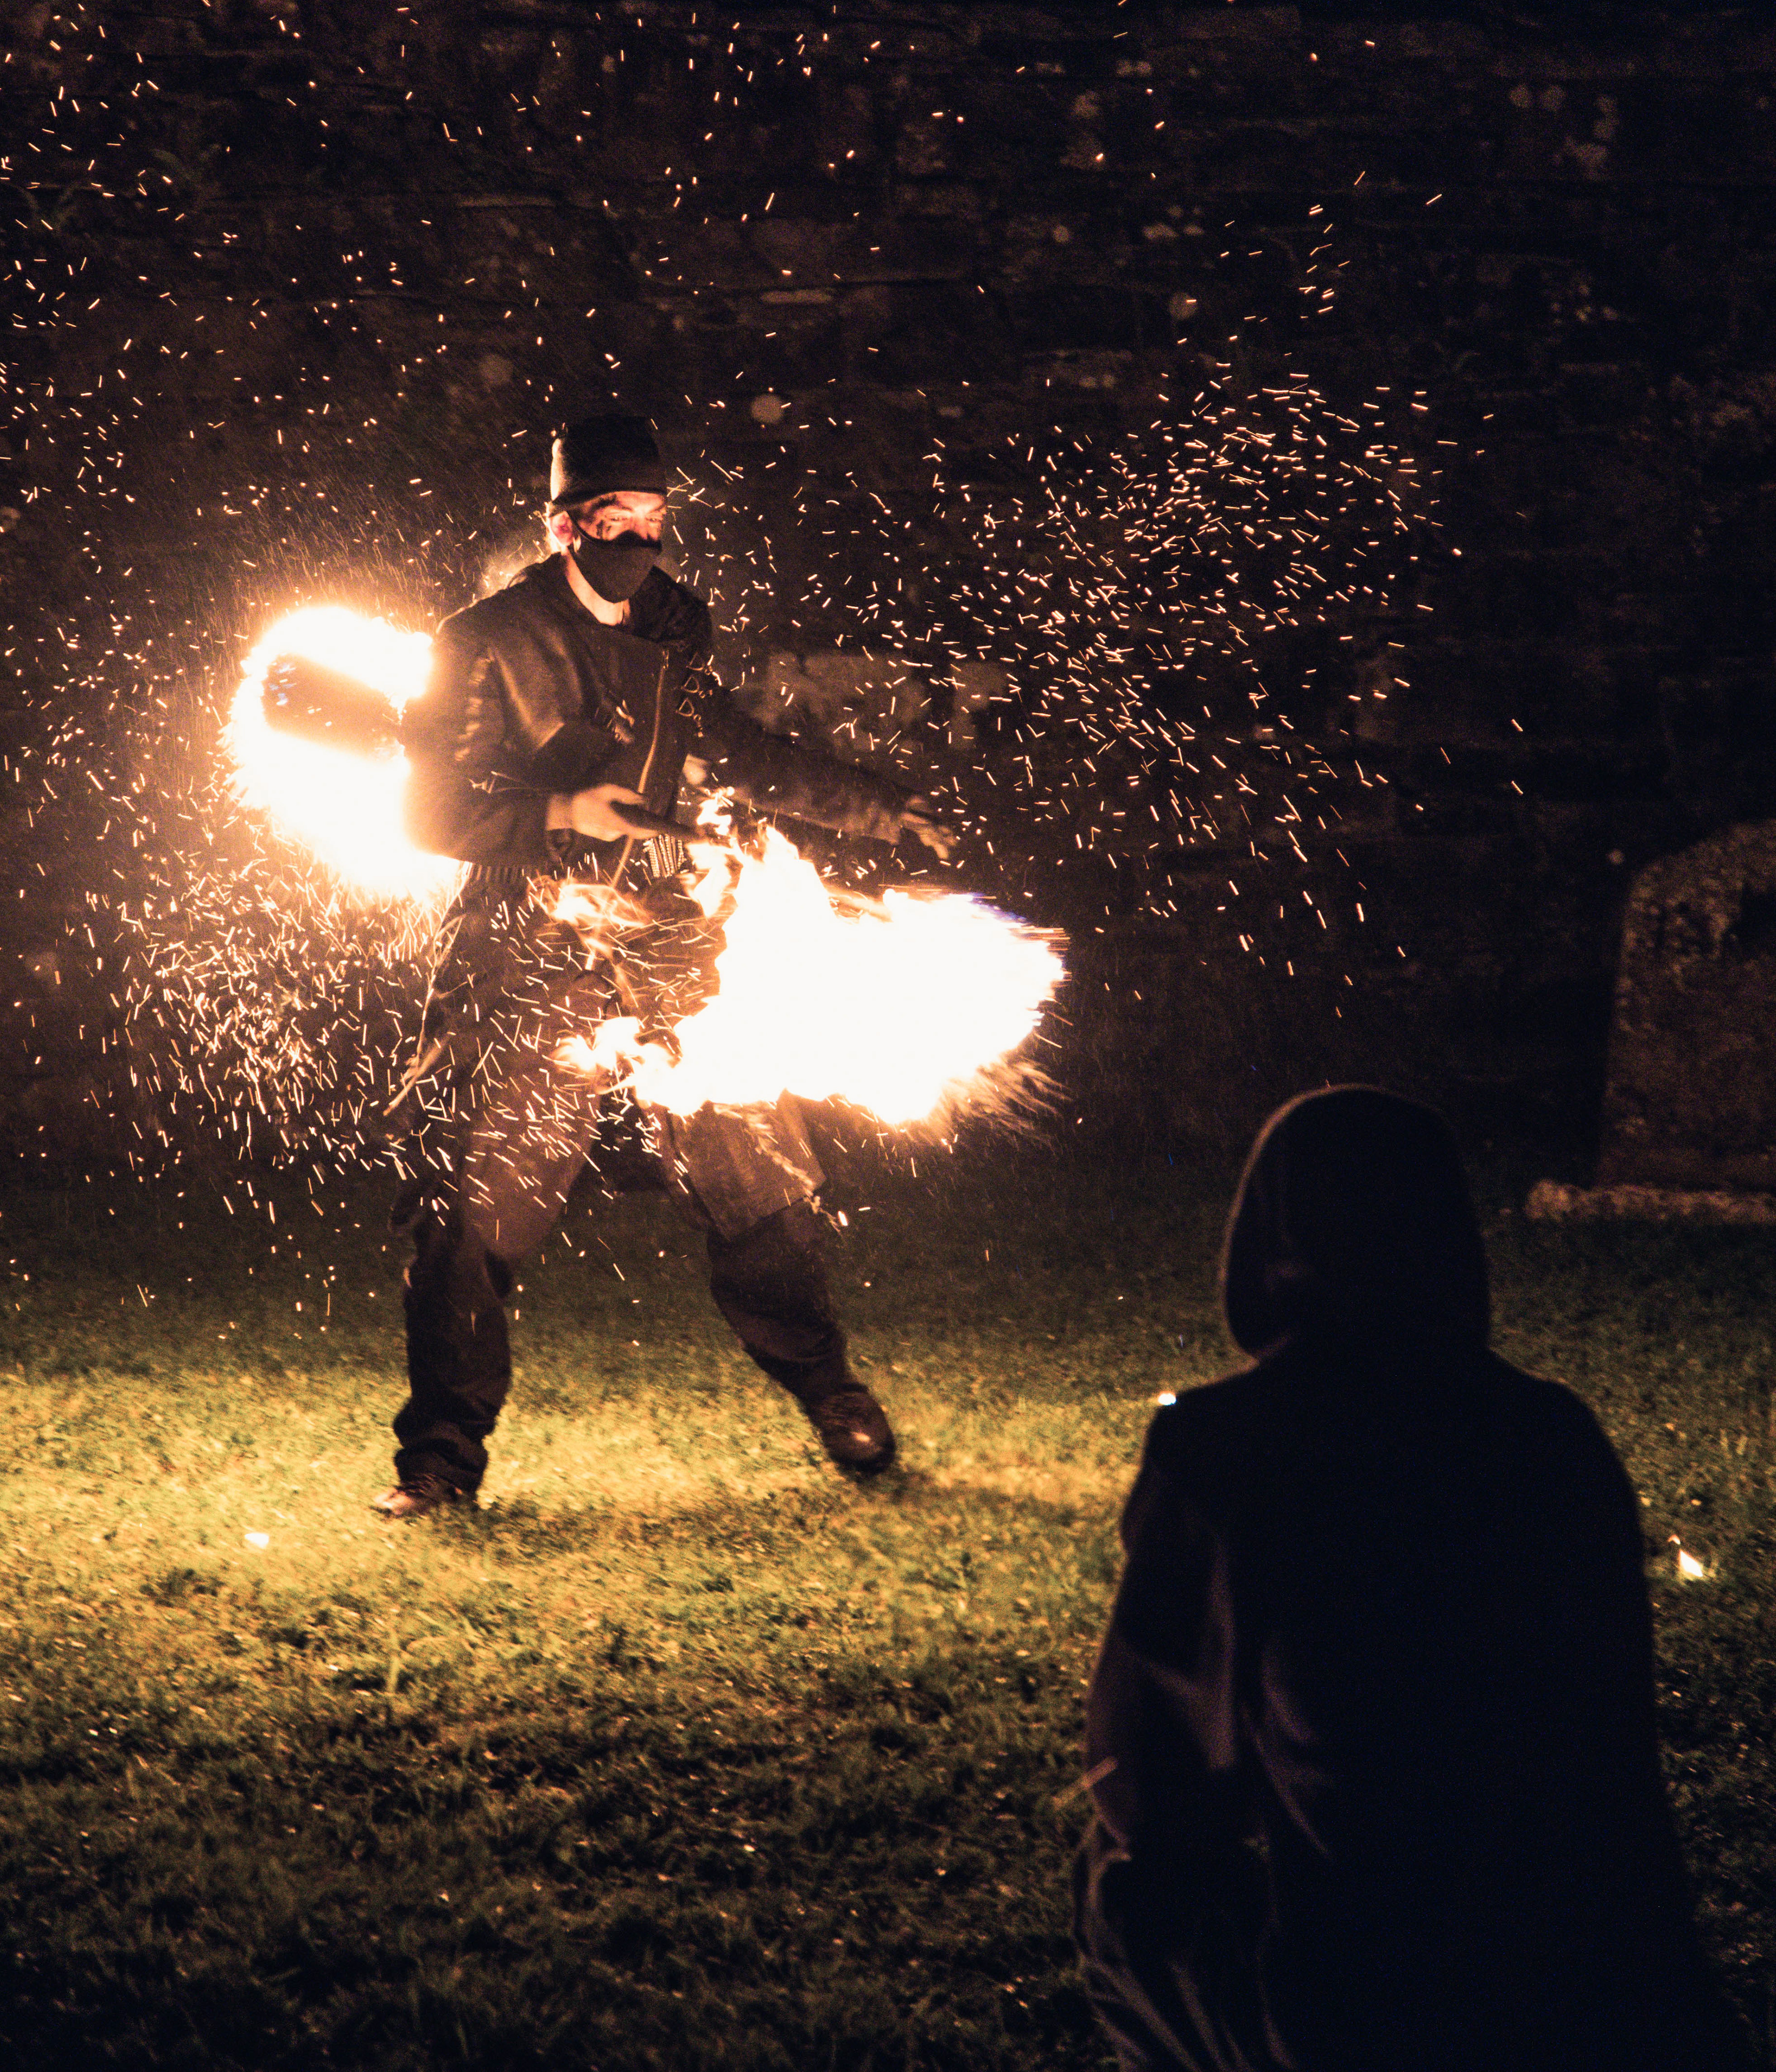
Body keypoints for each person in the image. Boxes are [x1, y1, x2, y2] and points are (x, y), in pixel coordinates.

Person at [1074, 1084, 1749, 2072]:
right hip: (1620, 2000)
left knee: (1117, 1884)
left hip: (1383, 2020)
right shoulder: (1555, 1434)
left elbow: (1143, 1775)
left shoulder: (1228, 1447)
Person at [374, 411, 951, 1517]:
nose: (636, 539)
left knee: (761, 1182)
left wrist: (877, 808)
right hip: (529, 945)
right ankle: (441, 1460)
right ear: (563, 526)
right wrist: (556, 810)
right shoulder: (483, 639)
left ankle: (831, 1391)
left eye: (652, 519)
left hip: (663, 939)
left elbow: (729, 745)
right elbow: (429, 809)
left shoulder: (676, 632)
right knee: (472, 1211)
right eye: (611, 519)